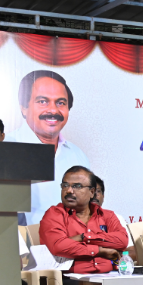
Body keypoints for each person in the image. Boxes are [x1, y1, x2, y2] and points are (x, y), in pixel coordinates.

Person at [39, 166, 129, 285]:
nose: (69, 190)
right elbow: (59, 245)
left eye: (77, 186)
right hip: (71, 278)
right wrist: (100, 250)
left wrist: (83, 237)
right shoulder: (54, 215)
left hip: (108, 276)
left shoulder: (107, 216)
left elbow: (122, 241)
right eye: (65, 185)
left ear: (92, 192)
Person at [6, 71, 89, 225]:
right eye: (43, 101)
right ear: (23, 108)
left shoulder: (77, 156)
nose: (53, 110)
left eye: (61, 103)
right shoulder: (4, 149)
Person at [91, 175, 134, 247]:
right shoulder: (73, 218)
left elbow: (130, 250)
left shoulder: (115, 217)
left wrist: (112, 253)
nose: (95, 194)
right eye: (91, 191)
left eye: (98, 191)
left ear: (103, 196)